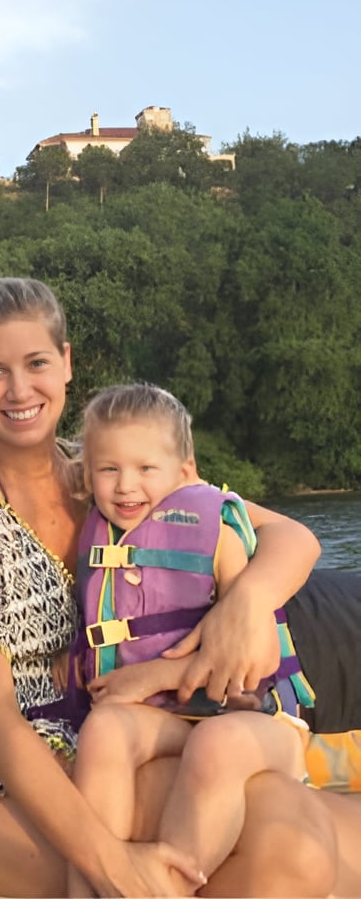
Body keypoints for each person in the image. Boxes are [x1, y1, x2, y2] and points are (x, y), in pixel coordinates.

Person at [0, 276, 334, 899]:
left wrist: (247, 603)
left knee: (290, 833)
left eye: (36, 363)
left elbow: (290, 536)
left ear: (66, 363)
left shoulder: (113, 473)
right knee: (285, 839)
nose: (19, 390)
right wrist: (111, 866)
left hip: (125, 724)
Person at [66, 382, 313, 896]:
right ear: (88, 474)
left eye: (145, 468)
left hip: (256, 721)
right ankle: (92, 884)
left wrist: (157, 674)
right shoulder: (99, 535)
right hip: (172, 718)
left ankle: (166, 888)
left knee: (216, 744)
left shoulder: (215, 533)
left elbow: (261, 655)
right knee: (105, 728)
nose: (125, 486)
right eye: (109, 469)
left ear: (185, 472)